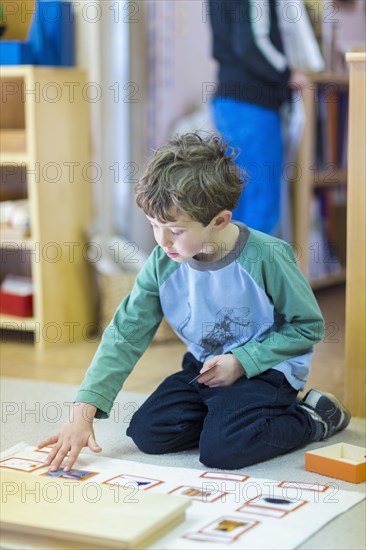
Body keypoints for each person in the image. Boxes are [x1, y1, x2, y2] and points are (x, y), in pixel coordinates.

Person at [38, 133, 350, 471]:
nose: (162, 240)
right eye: (154, 225)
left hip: (266, 371)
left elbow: (308, 327)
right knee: (148, 434)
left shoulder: (267, 256)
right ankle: (228, 418)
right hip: (204, 369)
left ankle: (312, 417)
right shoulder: (162, 261)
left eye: (175, 230)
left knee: (222, 451)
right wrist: (82, 412)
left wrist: (243, 362)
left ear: (219, 221)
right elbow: (126, 334)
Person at [208, 0, 310, 234]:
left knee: (234, 209)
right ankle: (253, 271)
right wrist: (287, 73)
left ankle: (234, 270)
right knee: (261, 207)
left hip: (230, 103)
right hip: (253, 105)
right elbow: (251, 42)